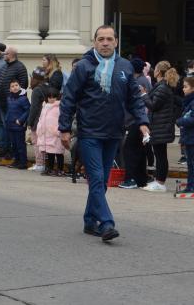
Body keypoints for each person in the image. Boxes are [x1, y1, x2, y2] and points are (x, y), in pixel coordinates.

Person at [58, 25, 149, 242]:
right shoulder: (84, 66)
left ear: (116, 42)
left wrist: (143, 122)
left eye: (109, 39)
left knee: (102, 180)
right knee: (97, 178)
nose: (105, 43)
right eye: (101, 39)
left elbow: (134, 99)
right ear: (94, 42)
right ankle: (106, 223)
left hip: (114, 133)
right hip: (89, 133)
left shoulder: (125, 67)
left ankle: (90, 220)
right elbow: (69, 98)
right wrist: (64, 129)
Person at [141, 61, 179, 192]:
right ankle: (159, 180)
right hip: (159, 125)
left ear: (158, 72)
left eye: (155, 69)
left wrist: (144, 95)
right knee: (160, 154)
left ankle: (160, 182)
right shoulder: (162, 86)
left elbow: (153, 105)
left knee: (160, 155)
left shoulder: (162, 87)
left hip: (160, 126)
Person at [119, 57, 153, 189]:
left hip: (137, 121)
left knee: (130, 150)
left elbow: (136, 102)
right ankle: (140, 179)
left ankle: (130, 178)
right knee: (139, 151)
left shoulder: (137, 82)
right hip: (140, 120)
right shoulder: (144, 80)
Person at [0, 46, 28, 158]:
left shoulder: (20, 67)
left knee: (14, 129)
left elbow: (23, 84)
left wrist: (15, 99)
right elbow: (1, 82)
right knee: (5, 126)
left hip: (14, 104)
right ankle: (6, 148)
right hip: (2, 101)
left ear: (12, 55)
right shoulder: (4, 67)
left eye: (6, 54)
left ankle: (13, 152)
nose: (4, 55)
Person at [37, 87, 64, 175]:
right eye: (49, 97)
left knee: (58, 153)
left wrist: (58, 131)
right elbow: (41, 119)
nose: (51, 99)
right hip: (46, 134)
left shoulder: (59, 107)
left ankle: (60, 169)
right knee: (49, 153)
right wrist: (39, 129)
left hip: (56, 134)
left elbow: (62, 119)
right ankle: (49, 168)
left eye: (54, 97)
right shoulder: (45, 106)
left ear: (57, 97)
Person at [5, 79, 31, 169]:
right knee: (14, 145)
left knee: (20, 145)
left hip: (19, 126)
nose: (15, 87)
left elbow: (28, 110)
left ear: (19, 86)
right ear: (10, 89)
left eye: (16, 85)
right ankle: (16, 161)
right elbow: (9, 111)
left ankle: (23, 162)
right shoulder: (9, 98)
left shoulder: (23, 98)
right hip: (10, 125)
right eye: (12, 86)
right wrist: (6, 120)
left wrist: (21, 120)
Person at [26, 69, 47, 171]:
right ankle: (44, 163)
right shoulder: (46, 87)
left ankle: (39, 164)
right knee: (44, 143)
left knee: (36, 142)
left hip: (37, 120)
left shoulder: (36, 90)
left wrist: (29, 122)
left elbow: (34, 108)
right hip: (46, 119)